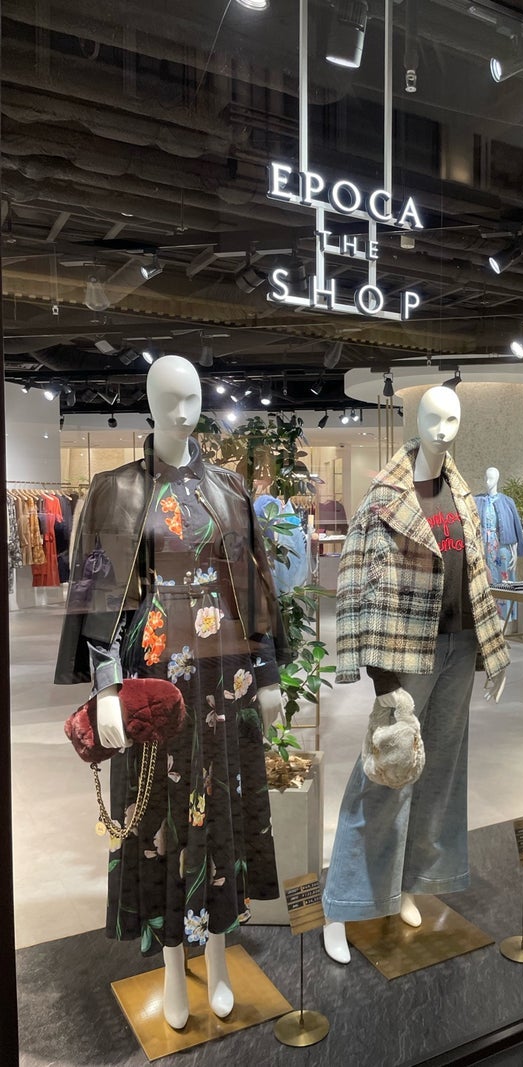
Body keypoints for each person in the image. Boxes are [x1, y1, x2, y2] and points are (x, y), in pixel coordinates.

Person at [55, 355, 290, 1029]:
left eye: (193, 398)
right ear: (149, 403)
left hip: (226, 676)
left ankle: (218, 955)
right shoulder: (116, 491)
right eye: (170, 399)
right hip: (155, 677)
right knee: (159, 811)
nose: (184, 412)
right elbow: (98, 600)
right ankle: (168, 963)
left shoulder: (228, 489)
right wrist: (106, 688)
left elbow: (254, 588)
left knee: (221, 811)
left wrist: (268, 675)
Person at [322, 385, 509, 964]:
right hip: (406, 654)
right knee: (385, 773)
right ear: (414, 420)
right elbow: (356, 585)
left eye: (453, 418)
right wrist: (381, 679)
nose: (443, 429)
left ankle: (407, 885)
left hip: (458, 648)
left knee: (439, 775)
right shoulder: (385, 496)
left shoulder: (461, 490)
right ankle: (343, 903)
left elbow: (475, 572)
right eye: (433, 418)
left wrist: (490, 650)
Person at [474, 467, 523, 620]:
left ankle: (505, 618)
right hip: (483, 548)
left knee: (505, 580)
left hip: (503, 548)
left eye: (491, 478)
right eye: (486, 478)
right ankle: (486, 617)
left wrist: (516, 550)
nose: (487, 482)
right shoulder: (476, 500)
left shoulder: (507, 501)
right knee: (484, 580)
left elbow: (515, 526)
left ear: (497, 479)